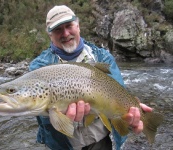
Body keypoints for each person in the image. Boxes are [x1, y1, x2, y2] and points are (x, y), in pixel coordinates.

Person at [29, 5, 152, 150]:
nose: (65, 33)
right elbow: (36, 107)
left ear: (78, 25)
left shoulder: (102, 57)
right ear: (50, 35)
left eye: (69, 26)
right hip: (62, 145)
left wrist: (132, 115)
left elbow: (119, 94)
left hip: (100, 141)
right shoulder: (40, 67)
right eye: (58, 30)